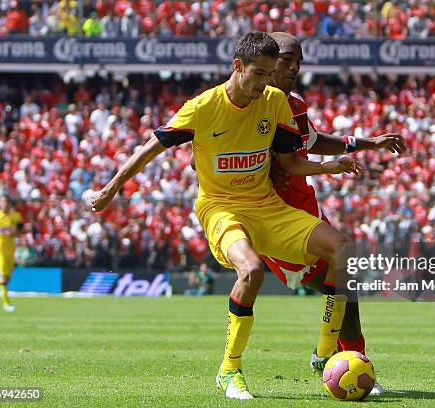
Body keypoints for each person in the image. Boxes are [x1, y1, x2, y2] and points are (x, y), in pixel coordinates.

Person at [91, 32, 363, 400]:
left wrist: (330, 167)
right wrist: (110, 189)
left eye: (270, 74)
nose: (265, 83)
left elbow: (291, 162)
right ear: (237, 66)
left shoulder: (274, 101)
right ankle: (230, 369)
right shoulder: (202, 107)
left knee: (342, 249)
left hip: (266, 207)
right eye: (259, 74)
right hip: (221, 209)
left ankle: (324, 352)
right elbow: (150, 148)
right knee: (250, 271)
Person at [264, 32, 406, 394]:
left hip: (306, 208)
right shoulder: (246, 104)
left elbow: (312, 141)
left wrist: (367, 142)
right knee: (340, 280)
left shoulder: (294, 104)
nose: (294, 67)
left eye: (298, 61)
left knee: (348, 278)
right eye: (285, 58)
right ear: (265, 58)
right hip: (274, 216)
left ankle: (342, 356)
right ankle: (334, 355)